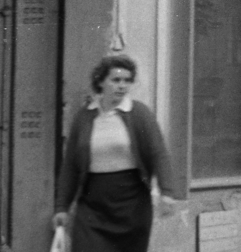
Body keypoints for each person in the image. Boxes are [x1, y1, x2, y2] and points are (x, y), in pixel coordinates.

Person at [54, 54, 178, 252]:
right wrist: (62, 207)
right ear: (101, 81)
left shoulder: (139, 114)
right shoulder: (84, 117)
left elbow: (159, 153)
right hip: (92, 204)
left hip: (132, 205)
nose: (122, 85)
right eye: (116, 80)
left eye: (127, 80)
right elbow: (70, 165)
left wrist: (167, 192)